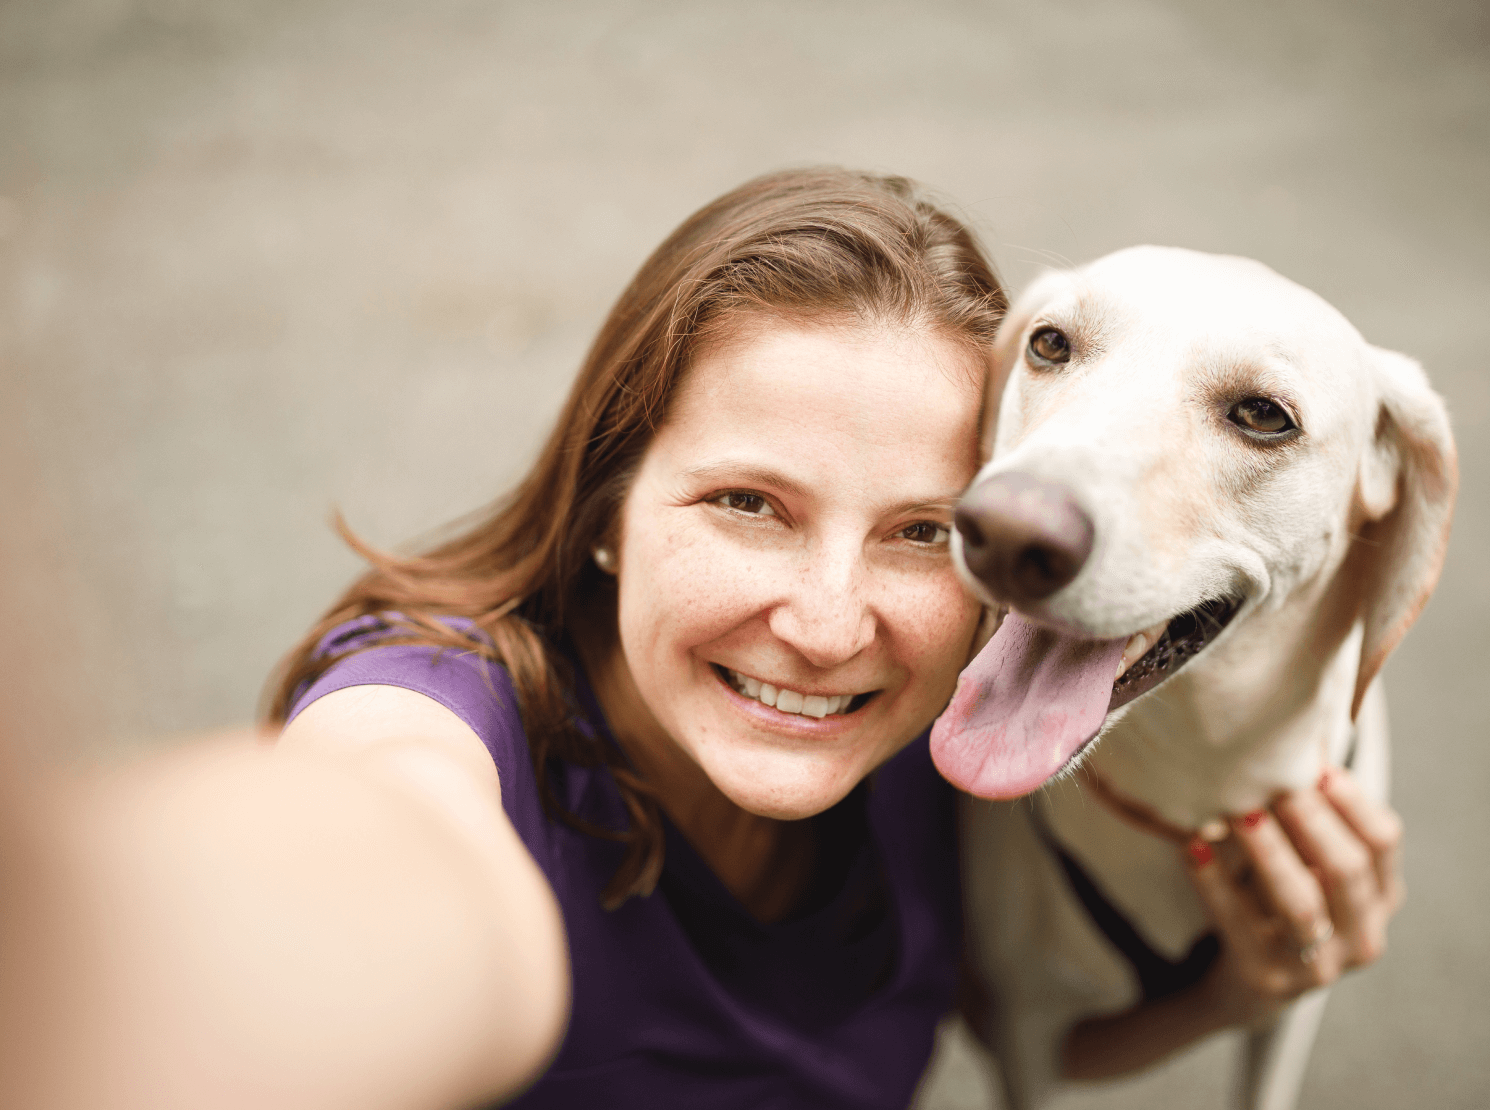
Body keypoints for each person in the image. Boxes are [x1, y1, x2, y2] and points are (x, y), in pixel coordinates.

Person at [0, 169, 1401, 1110]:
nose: (825, 621)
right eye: (747, 504)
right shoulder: (436, 713)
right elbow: (365, 864)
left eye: (923, 529)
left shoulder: (932, 725)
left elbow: (1014, 1030)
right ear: (606, 498)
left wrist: (1237, 984)